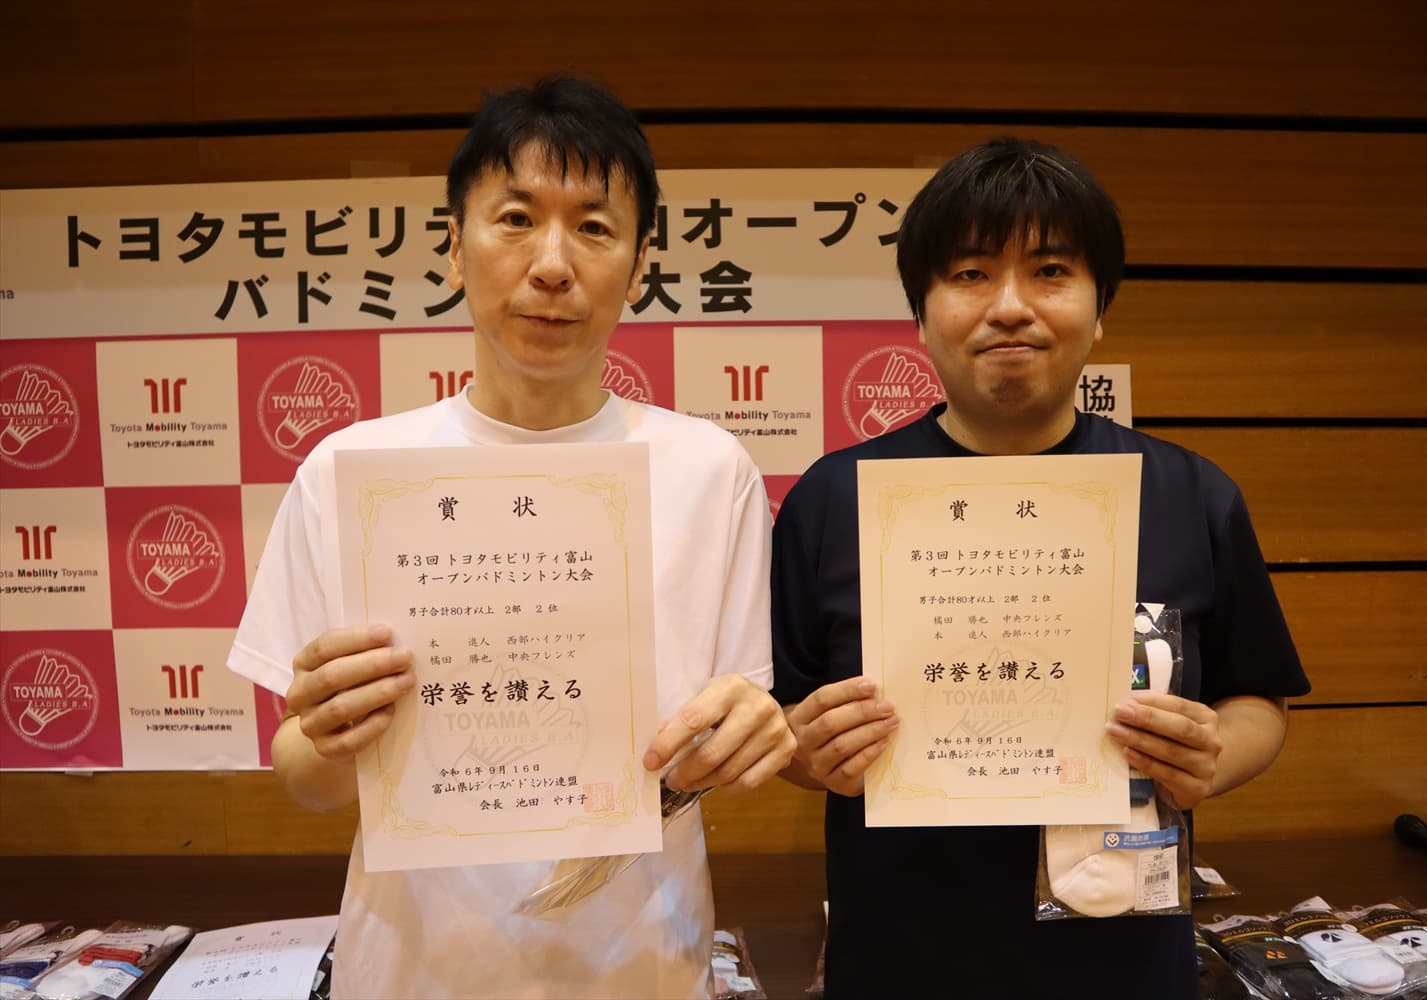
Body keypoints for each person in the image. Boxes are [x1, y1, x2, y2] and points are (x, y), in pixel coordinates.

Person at [228, 76, 794, 1000]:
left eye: (595, 227)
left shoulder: (710, 470)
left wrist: (746, 737)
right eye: (517, 219)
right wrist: (328, 738)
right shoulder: (352, 472)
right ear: (455, 246)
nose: (553, 265)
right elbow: (305, 777)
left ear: (639, 267)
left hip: (641, 970)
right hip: (412, 972)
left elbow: (723, 746)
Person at [771, 138, 1310, 999]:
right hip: (900, 960)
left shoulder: (1190, 492)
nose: (1011, 307)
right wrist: (807, 751)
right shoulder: (835, 499)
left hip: (1127, 964)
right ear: (921, 316)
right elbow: (782, 716)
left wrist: (1211, 756)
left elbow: (1259, 701)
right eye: (971, 274)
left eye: (1051, 271)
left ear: (1099, 311)